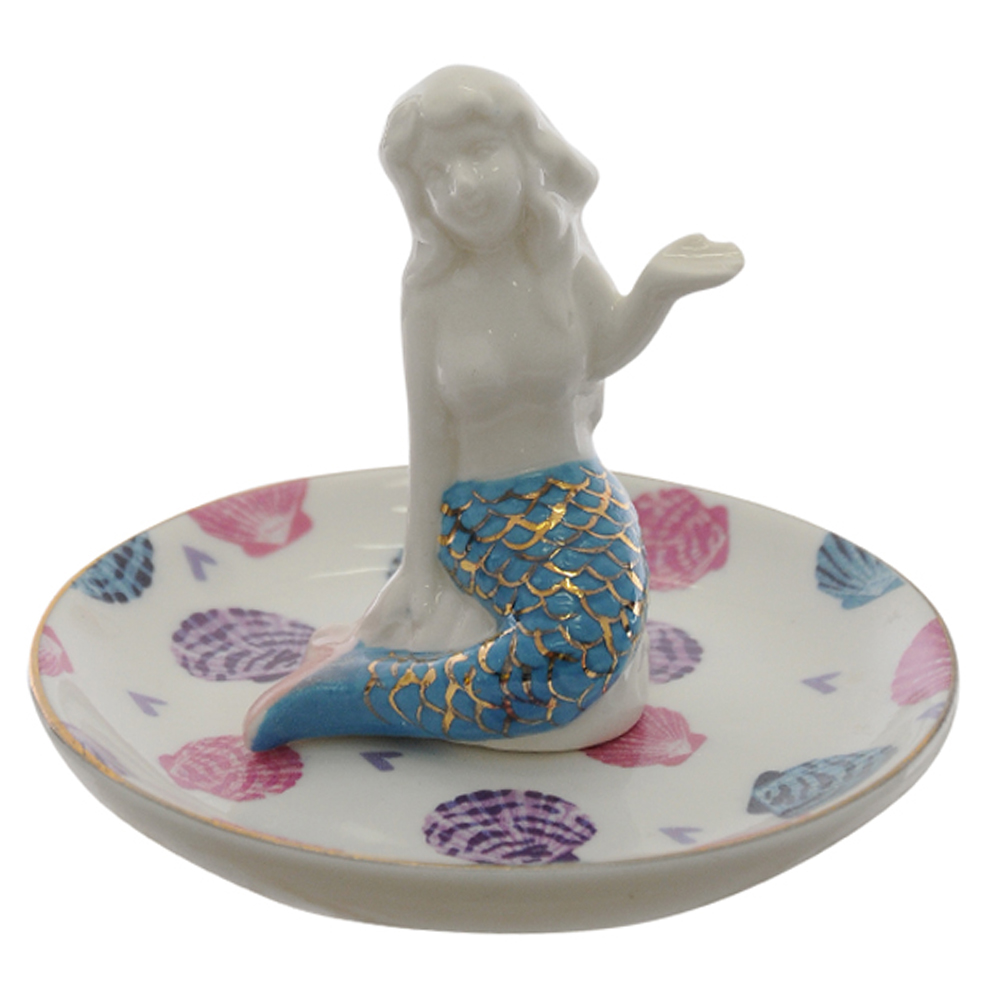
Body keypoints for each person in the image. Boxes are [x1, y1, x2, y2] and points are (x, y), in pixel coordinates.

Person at [245, 66, 742, 752]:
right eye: (435, 172)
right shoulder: (430, 292)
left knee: (599, 621)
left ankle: (377, 688)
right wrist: (419, 568)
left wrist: (657, 289)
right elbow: (429, 435)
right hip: (481, 514)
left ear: (528, 150)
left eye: (479, 152)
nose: (463, 186)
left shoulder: (561, 258)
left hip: (581, 492)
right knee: (570, 647)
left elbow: (602, 350)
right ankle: (348, 693)